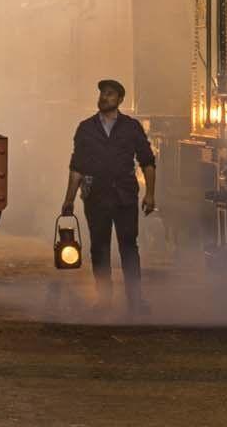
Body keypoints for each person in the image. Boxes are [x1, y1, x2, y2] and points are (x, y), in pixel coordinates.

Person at [62, 78, 157, 311]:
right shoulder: (86, 128)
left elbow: (147, 162)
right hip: (96, 197)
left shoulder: (131, 127)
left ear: (120, 100)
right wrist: (69, 200)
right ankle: (104, 299)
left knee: (128, 247)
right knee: (99, 247)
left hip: (124, 195)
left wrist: (150, 195)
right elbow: (77, 167)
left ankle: (135, 300)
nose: (104, 97)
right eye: (103, 93)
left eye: (110, 94)